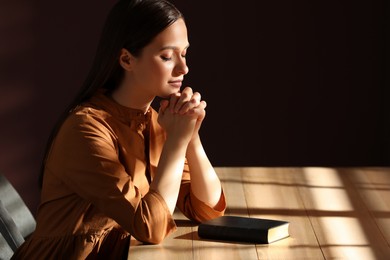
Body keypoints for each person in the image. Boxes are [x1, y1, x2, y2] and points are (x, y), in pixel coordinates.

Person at [12, 0, 226, 259]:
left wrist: (191, 136)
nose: (183, 68)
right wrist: (177, 141)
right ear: (126, 59)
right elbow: (151, 227)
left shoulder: (157, 121)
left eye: (184, 53)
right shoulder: (85, 129)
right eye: (168, 56)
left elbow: (208, 210)